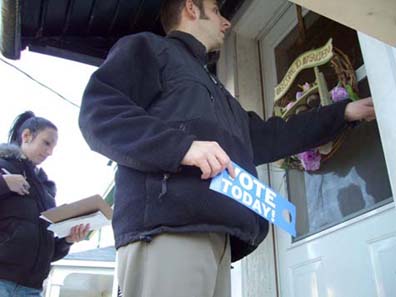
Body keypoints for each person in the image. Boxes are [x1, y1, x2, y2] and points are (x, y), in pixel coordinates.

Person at [78, 0, 376, 296]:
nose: (227, 22)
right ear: (191, 8)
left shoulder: (218, 91)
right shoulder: (148, 48)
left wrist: (344, 114)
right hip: (166, 231)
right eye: (217, 10)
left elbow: (272, 135)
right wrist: (182, 147)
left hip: (221, 239)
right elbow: (99, 113)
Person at [0, 111, 89, 296]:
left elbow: (47, 249)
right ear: (26, 136)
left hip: (31, 288)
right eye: (46, 143)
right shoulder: (3, 167)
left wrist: (68, 240)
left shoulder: (46, 191)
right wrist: (4, 183)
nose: (50, 152)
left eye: (53, 147)